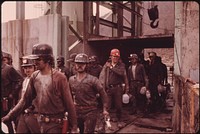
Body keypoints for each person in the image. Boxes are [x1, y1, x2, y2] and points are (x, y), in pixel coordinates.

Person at [2, 43, 78, 133]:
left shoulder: (59, 78)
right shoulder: (35, 76)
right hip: (40, 123)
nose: (35, 62)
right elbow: (25, 100)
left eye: (38, 59)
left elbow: (69, 104)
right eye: (35, 59)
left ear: (48, 60)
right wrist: (9, 116)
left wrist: (74, 126)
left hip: (55, 125)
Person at [69, 53, 109, 133]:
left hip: (90, 111)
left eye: (82, 64)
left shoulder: (93, 80)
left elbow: (103, 94)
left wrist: (105, 109)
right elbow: (68, 96)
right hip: (77, 111)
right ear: (75, 65)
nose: (80, 66)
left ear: (87, 65)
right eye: (78, 63)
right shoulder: (71, 80)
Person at [99, 48, 129, 128]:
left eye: (117, 57)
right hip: (109, 88)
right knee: (106, 106)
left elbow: (121, 73)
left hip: (118, 89)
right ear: (111, 57)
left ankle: (119, 120)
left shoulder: (121, 65)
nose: (115, 58)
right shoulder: (106, 65)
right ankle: (104, 123)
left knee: (118, 106)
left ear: (119, 58)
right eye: (114, 56)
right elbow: (102, 76)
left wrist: (111, 67)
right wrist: (102, 87)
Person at [16, 56, 40, 133]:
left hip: (34, 113)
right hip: (23, 113)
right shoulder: (25, 80)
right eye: (25, 68)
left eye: (29, 67)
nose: (27, 70)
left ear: (35, 68)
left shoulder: (38, 80)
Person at [1, 51, 24, 133]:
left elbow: (20, 79)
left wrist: (12, 94)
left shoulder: (8, 69)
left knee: (6, 121)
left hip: (5, 101)